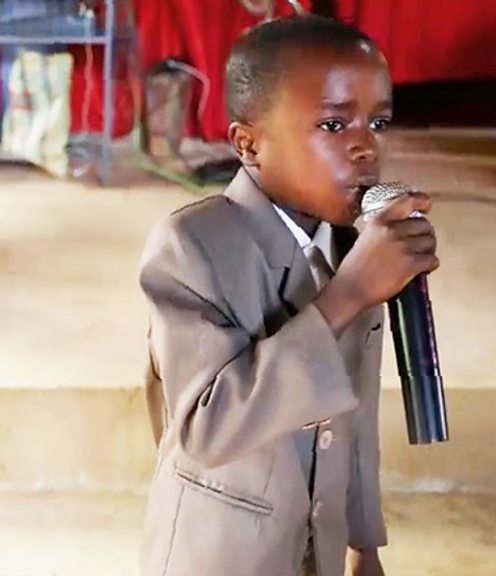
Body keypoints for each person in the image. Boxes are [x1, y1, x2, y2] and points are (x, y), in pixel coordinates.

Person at [138, 16, 439, 576]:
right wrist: (348, 294)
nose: (365, 148)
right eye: (332, 124)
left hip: (314, 554)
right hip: (218, 556)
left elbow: (355, 411)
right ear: (248, 143)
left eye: (378, 122)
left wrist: (363, 542)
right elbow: (209, 427)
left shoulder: (352, 245)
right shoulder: (192, 248)